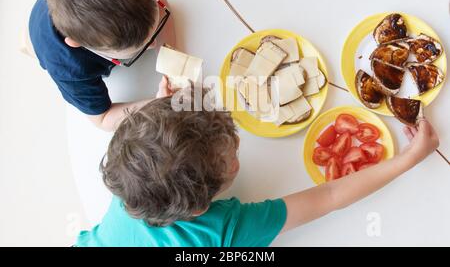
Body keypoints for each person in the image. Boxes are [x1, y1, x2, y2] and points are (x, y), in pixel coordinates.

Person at [76, 88, 439, 247]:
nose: (236, 155)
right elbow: (330, 195)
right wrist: (408, 158)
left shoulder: (127, 175)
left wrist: (166, 107)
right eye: (229, 159)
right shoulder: (224, 232)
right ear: (203, 208)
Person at [29, 0, 176, 131]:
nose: (155, 45)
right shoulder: (69, 68)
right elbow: (103, 118)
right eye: (138, 50)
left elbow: (161, 3)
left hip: (66, 2)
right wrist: (158, 104)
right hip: (42, 39)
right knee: (29, 46)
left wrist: (173, 66)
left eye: (155, 31)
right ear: (80, 44)